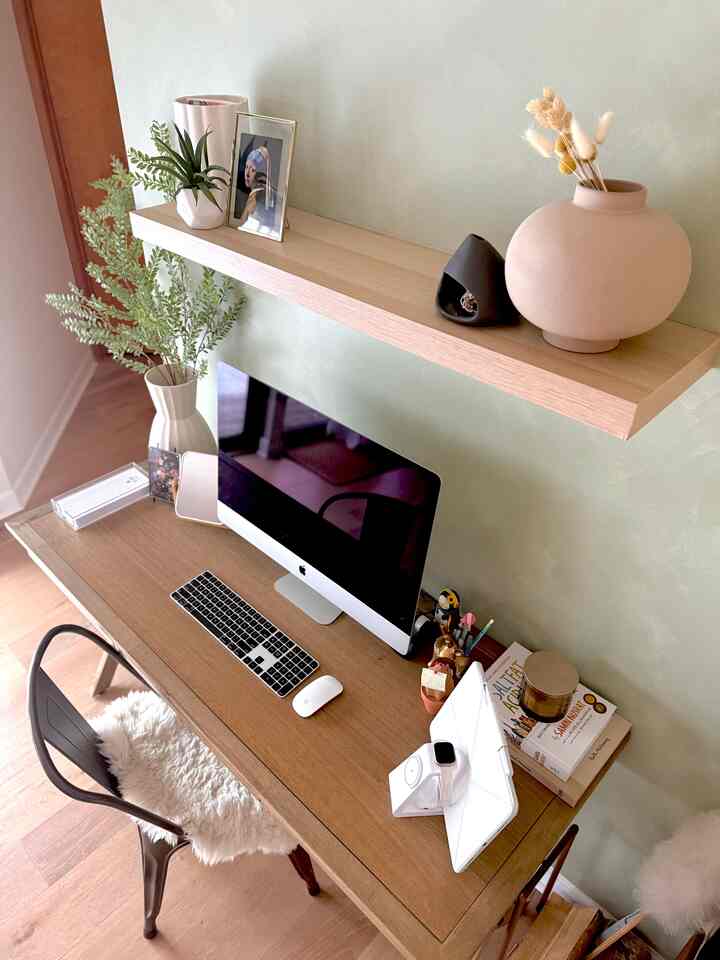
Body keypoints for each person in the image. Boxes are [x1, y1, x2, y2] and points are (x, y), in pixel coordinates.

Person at [235, 143, 280, 233]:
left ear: (259, 173)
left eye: (253, 170)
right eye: (246, 167)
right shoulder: (268, 190)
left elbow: (240, 227)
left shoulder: (254, 195)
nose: (247, 174)